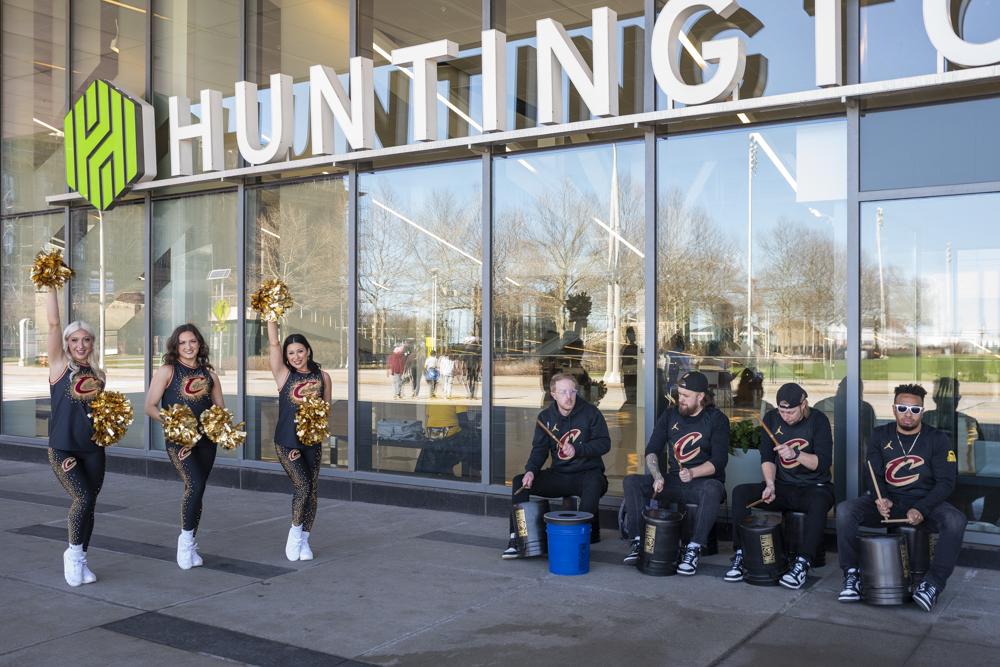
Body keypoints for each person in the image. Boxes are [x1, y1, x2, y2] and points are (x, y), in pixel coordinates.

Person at [835, 383, 965, 611]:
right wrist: (880, 497)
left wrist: (922, 508)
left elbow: (946, 482)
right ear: (894, 408)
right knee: (846, 510)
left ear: (922, 412)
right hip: (892, 502)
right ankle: (853, 575)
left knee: (956, 520)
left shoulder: (937, 439)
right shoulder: (880, 434)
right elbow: (873, 473)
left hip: (926, 503)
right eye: (903, 408)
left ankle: (932, 584)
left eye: (915, 410)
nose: (908, 414)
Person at [727, 383, 835, 589]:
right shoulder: (771, 419)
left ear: (804, 405)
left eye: (791, 412)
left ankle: (802, 563)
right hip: (783, 487)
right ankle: (741, 555)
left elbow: (822, 463)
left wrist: (796, 454)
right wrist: (770, 485)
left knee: (820, 502)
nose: (785, 417)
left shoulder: (818, 420)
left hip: (815, 487)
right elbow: (767, 457)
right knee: (740, 493)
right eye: (782, 411)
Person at [622, 371, 728, 575]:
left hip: (702, 484)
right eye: (679, 394)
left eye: (686, 396)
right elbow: (652, 450)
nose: (681, 399)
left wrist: (693, 472)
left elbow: (719, 461)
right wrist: (657, 476)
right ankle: (638, 542)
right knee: (632, 481)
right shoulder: (669, 415)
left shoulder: (716, 419)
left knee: (714, 488)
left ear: (701, 397)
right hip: (673, 481)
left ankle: (693, 549)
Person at [144, 324, 225, 570]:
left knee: (198, 491)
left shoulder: (210, 376)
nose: (188, 347)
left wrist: (221, 425)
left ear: (199, 344)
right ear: (175, 346)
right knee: (195, 484)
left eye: (192, 342)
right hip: (179, 440)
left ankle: (189, 542)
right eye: (182, 343)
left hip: (206, 441)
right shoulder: (167, 371)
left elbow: (219, 410)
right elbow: (150, 406)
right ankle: (185, 542)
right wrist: (175, 423)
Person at [502, 373, 610, 558]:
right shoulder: (545, 417)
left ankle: (576, 542)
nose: (569, 396)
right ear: (553, 395)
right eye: (563, 392)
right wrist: (530, 471)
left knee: (593, 483)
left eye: (572, 391)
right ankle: (516, 540)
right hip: (559, 475)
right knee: (520, 481)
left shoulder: (591, 412)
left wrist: (578, 449)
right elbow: (539, 451)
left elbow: (604, 444)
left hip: (588, 474)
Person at [44, 286, 108, 587]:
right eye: (74, 340)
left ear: (92, 342)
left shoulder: (98, 374)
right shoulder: (59, 366)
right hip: (63, 449)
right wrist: (51, 286)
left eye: (85, 340)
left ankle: (82, 559)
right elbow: (54, 324)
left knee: (90, 503)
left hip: (93, 449)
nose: (80, 345)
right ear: (67, 344)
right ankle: (71, 554)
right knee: (82, 498)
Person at [266, 319, 333, 561]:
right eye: (291, 352)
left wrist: (315, 418)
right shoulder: (284, 375)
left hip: (312, 443)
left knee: (312, 491)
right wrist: (271, 313)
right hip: (287, 442)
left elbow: (326, 411)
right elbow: (273, 343)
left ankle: (305, 540)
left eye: (300, 351)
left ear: (308, 351)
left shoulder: (322, 377)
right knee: (303, 486)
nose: (296, 356)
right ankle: (294, 534)